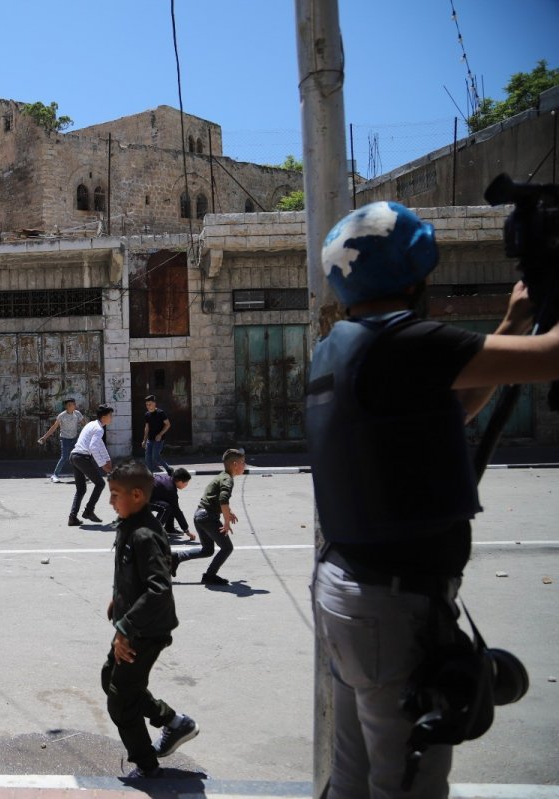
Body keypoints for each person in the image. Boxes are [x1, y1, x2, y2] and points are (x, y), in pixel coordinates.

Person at [306, 201, 559, 798]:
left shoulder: (344, 345)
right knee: (409, 783)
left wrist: (510, 325)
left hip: (352, 589)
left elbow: (452, 411)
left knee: (355, 775)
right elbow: (551, 360)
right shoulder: (408, 342)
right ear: (417, 276)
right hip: (390, 605)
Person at [103, 461, 199, 779]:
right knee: (111, 680)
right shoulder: (130, 523)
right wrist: (119, 601)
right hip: (133, 624)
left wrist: (125, 629)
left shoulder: (144, 533)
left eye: (115, 494)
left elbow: (158, 588)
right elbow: (137, 575)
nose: (110, 501)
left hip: (144, 631)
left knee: (120, 702)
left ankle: (147, 766)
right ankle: (173, 722)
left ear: (136, 495)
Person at [171, 449, 245, 586]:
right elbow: (223, 499)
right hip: (207, 517)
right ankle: (209, 576)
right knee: (227, 548)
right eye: (242, 463)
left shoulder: (222, 476)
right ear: (235, 464)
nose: (244, 466)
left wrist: (229, 511)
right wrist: (227, 521)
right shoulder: (227, 480)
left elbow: (215, 498)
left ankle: (176, 557)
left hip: (200, 515)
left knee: (207, 550)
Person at [68, 404, 114, 526]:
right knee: (100, 483)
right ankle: (88, 511)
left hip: (74, 456)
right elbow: (93, 447)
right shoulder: (99, 429)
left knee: (81, 489)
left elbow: (100, 445)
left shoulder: (92, 424)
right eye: (110, 415)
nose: (111, 418)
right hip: (82, 458)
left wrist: (107, 458)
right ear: (103, 417)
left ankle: (72, 518)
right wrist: (103, 465)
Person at [39, 398, 85, 483]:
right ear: (68, 406)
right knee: (64, 457)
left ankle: (80, 475)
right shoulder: (62, 415)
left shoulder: (77, 414)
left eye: (75, 404)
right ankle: (55, 475)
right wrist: (45, 437)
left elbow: (84, 425)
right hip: (65, 439)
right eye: (73, 404)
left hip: (74, 438)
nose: (75, 405)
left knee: (77, 457)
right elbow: (54, 427)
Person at [151, 467, 194, 542]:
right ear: (180, 481)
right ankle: (153, 532)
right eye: (186, 483)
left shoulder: (168, 479)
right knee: (166, 508)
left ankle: (169, 528)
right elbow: (177, 512)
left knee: (170, 505)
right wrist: (187, 531)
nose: (187, 485)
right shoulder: (170, 489)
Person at [140, 395, 172, 474]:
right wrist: (144, 440)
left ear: (154, 403)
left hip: (159, 439)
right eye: (147, 404)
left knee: (155, 457)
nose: (148, 406)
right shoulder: (147, 414)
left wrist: (160, 434)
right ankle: (150, 474)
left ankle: (168, 469)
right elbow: (147, 428)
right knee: (147, 457)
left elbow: (168, 424)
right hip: (150, 439)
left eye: (150, 404)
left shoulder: (160, 413)